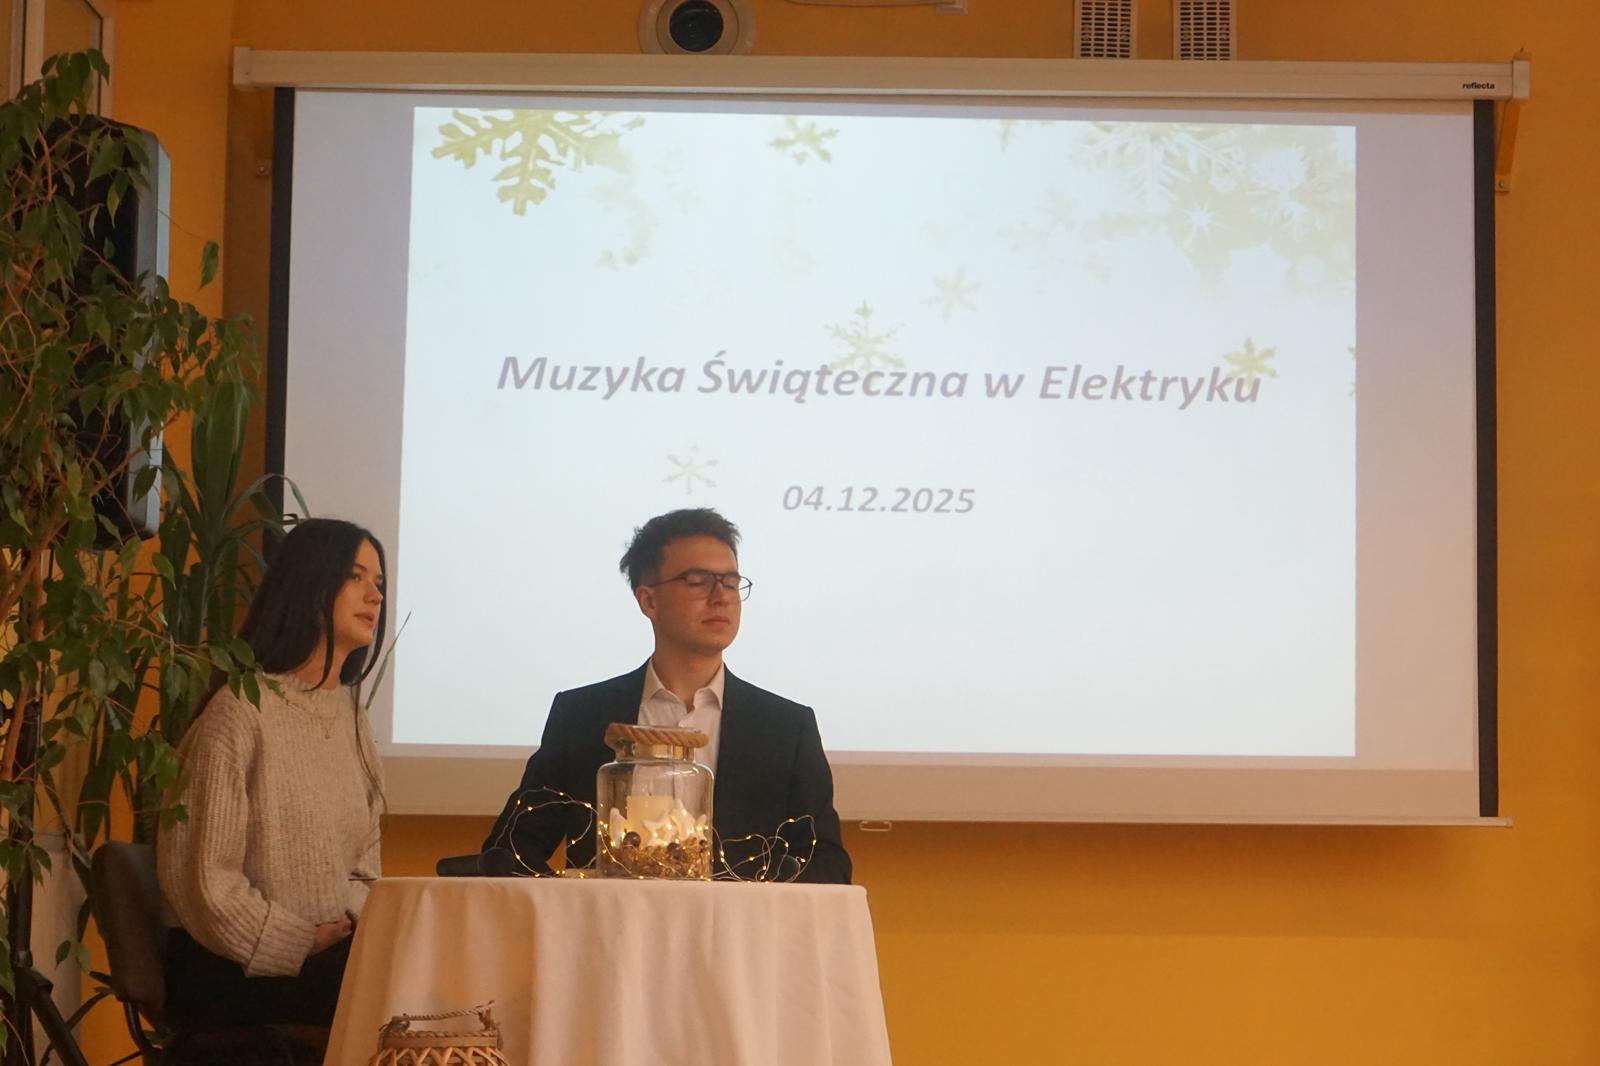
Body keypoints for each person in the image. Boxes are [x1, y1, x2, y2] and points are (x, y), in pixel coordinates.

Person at [485, 508, 851, 884]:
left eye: (730, 582)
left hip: (738, 923)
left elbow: (829, 866)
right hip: (609, 921)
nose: (721, 597)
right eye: (697, 581)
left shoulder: (786, 727)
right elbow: (509, 851)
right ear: (648, 601)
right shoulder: (581, 715)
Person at [157, 518, 387, 1028]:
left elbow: (364, 870)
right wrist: (299, 940)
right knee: (398, 991)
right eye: (355, 576)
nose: (375, 595)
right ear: (310, 584)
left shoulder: (353, 719)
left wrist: (347, 924)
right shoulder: (240, 710)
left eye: (378, 582)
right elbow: (205, 882)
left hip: (324, 961)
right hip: (231, 975)